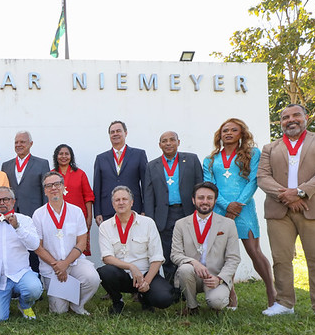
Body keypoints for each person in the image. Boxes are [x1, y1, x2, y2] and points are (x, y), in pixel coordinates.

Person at [257, 104, 315, 328]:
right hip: (279, 210)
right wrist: (286, 196)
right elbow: (263, 177)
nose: (290, 120)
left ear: (306, 118)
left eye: (295, 115)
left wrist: (300, 192)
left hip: (313, 208)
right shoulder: (270, 148)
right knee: (281, 259)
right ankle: (284, 302)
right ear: (281, 122)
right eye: (285, 117)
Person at [203, 118, 276, 309]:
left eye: (233, 130)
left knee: (254, 251)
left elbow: (254, 181)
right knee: (224, 256)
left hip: (244, 210)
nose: (228, 133)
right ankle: (230, 295)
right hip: (220, 211)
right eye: (225, 130)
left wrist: (238, 205)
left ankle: (272, 291)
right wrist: (227, 206)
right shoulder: (210, 159)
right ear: (220, 135)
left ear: (241, 134)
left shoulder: (253, 154)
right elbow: (210, 186)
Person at [97, 186, 175, 314]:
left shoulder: (147, 223)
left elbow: (157, 258)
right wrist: (131, 267)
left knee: (164, 299)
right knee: (105, 272)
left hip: (146, 274)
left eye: (124, 199)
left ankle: (145, 297)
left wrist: (146, 282)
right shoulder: (105, 226)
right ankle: (118, 301)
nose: (121, 202)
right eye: (117, 200)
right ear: (112, 204)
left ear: (132, 202)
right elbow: (107, 257)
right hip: (122, 276)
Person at [32, 171, 100, 315]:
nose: (53, 188)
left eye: (57, 184)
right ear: (45, 190)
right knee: (58, 311)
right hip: (52, 266)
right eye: (49, 185)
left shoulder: (76, 211)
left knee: (92, 278)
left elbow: (82, 242)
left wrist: (66, 263)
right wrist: (57, 266)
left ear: (63, 187)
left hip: (74, 262)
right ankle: (65, 301)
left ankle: (78, 306)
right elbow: (38, 246)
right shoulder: (38, 214)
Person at [171, 182, 241, 315]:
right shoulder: (181, 224)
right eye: (201, 198)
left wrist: (220, 278)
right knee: (185, 268)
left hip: (215, 276)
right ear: (193, 200)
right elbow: (175, 254)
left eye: (209, 198)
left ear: (215, 200)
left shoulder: (228, 224)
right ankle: (192, 307)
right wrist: (194, 262)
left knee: (218, 302)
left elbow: (234, 258)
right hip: (192, 275)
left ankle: (215, 299)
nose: (205, 201)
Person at [0, 186, 43, 322]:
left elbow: (35, 245)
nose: (2, 203)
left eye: (5, 199)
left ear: (13, 201)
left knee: (34, 288)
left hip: (21, 272)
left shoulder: (25, 220)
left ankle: (25, 305)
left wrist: (18, 227)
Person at [143, 131, 203, 281]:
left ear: (178, 142)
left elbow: (200, 185)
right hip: (164, 215)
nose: (168, 143)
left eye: (172, 140)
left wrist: (201, 211)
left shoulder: (191, 159)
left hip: (187, 211)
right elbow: (148, 195)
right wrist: (151, 221)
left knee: (189, 250)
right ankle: (172, 288)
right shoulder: (151, 166)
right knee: (167, 252)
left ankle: (189, 285)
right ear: (159, 145)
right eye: (164, 141)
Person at [1, 131, 50, 272]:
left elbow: (45, 191)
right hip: (12, 215)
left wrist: (44, 214)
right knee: (14, 248)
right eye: (16, 142)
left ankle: (36, 286)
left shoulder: (42, 163)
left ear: (31, 144)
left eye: (22, 142)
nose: (19, 145)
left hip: (33, 214)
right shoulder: (6, 165)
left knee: (34, 249)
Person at [93, 120, 148, 224]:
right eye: (112, 132)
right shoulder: (101, 158)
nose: (115, 134)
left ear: (125, 133)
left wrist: (144, 209)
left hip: (134, 208)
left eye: (118, 131)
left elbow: (146, 185)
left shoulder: (139, 154)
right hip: (107, 210)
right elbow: (97, 187)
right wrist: (97, 212)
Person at [52, 143, 94, 255]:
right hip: (57, 217)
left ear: (71, 156)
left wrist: (89, 217)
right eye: (61, 154)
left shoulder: (80, 174)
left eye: (67, 154)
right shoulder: (52, 175)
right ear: (56, 156)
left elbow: (88, 197)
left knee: (79, 244)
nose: (64, 156)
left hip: (78, 217)